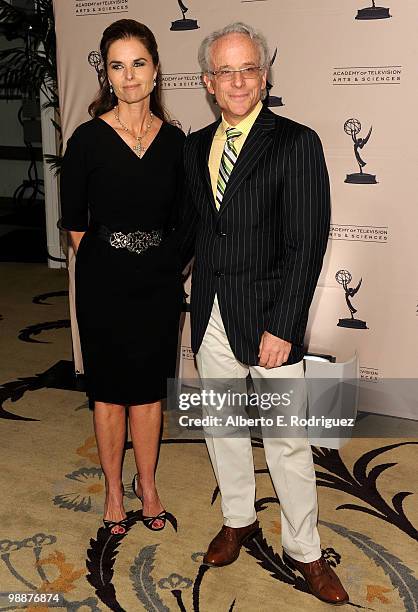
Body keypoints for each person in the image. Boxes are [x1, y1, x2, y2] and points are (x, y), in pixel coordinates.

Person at [178, 22, 349, 604]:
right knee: (222, 428)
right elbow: (195, 233)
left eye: (249, 68)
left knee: (286, 441)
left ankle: (305, 550)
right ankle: (239, 518)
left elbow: (308, 241)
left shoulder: (296, 142)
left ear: (265, 75)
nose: (238, 81)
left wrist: (284, 326)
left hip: (270, 319)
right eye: (225, 71)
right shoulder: (195, 145)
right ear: (207, 81)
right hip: (211, 316)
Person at [60, 19, 185, 534]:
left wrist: (159, 265)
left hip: (158, 285)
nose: (129, 76)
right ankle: (114, 489)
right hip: (104, 285)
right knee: (110, 391)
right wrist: (111, 263)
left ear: (155, 71)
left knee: (149, 392)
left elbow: (184, 219)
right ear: (107, 75)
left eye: (139, 64)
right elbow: (73, 224)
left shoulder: (177, 142)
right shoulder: (87, 140)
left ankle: (147, 484)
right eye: (118, 66)